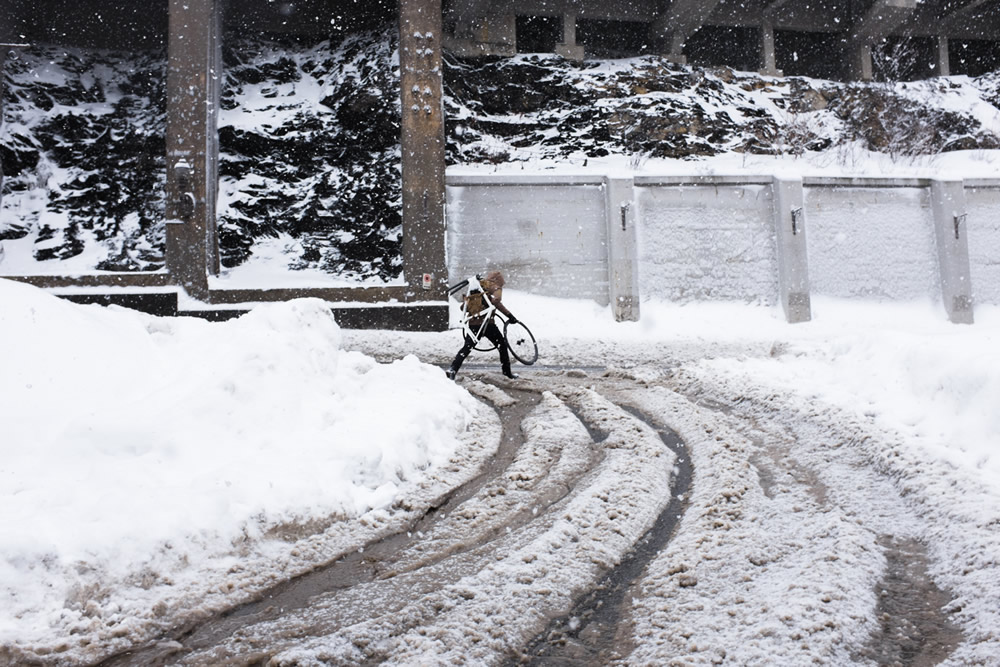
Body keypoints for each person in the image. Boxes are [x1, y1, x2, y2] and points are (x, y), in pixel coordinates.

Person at [447, 270, 519, 380]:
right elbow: (497, 301)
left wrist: (476, 303)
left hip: (473, 325)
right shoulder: (491, 290)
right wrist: (510, 316)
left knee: (467, 348)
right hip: (488, 324)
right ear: (497, 281)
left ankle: (452, 369)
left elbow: (463, 308)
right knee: (502, 345)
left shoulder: (477, 290)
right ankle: (507, 372)